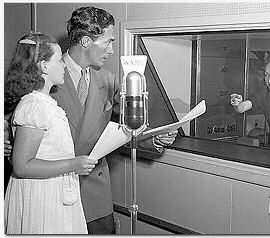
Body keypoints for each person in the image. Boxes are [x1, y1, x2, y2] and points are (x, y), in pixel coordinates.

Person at [48, 6, 177, 234]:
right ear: (87, 41)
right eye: (107, 42)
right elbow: (20, 120)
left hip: (94, 191)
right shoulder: (46, 77)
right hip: (54, 187)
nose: (111, 49)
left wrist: (157, 138)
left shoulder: (109, 81)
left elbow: (125, 128)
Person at [4, 32, 98, 234]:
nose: (64, 65)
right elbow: (22, 166)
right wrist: (73, 164)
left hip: (53, 192)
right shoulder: (34, 106)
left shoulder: (45, 103)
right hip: (40, 197)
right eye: (59, 60)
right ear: (43, 66)